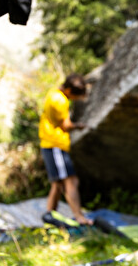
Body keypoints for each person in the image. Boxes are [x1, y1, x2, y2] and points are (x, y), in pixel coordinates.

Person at [39, 74, 93, 225]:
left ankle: (49, 217)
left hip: (49, 144)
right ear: (69, 90)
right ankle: (80, 217)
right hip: (55, 145)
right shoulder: (60, 101)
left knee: (57, 184)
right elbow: (65, 125)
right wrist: (79, 126)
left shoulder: (53, 93)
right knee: (71, 181)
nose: (77, 99)